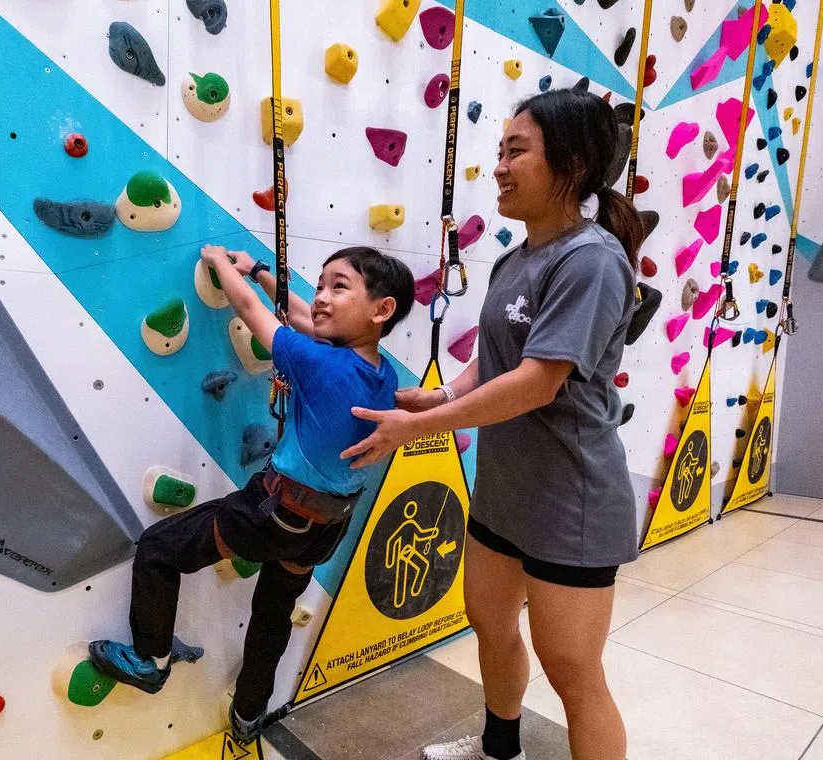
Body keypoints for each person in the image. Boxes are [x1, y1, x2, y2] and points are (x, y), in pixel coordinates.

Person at [341, 88, 644, 760]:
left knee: (571, 669)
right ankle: (499, 749)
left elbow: (540, 382)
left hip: (573, 502)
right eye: (499, 150)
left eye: (516, 151)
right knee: (489, 622)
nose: (500, 167)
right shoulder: (516, 259)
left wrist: (421, 427)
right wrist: (441, 395)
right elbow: (498, 360)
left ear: (569, 163)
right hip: (506, 491)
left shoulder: (590, 260)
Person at [89, 244, 415, 744]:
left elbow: (250, 313)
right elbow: (307, 321)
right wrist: (261, 271)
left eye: (338, 287)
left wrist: (221, 263)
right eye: (321, 285)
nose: (322, 297)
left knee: (159, 549)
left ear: (382, 309)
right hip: (325, 527)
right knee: (273, 611)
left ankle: (150, 659)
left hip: (274, 513)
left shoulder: (320, 364)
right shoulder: (380, 373)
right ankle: (249, 712)